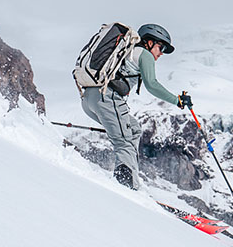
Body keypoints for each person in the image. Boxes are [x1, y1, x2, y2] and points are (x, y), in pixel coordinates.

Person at [79, 23, 193, 189]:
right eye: (161, 47)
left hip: (89, 98)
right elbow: (152, 84)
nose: (161, 53)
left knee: (133, 129)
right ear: (149, 42)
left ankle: (131, 174)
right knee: (123, 142)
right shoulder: (144, 54)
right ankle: (127, 185)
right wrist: (177, 101)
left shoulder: (128, 51)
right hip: (107, 98)